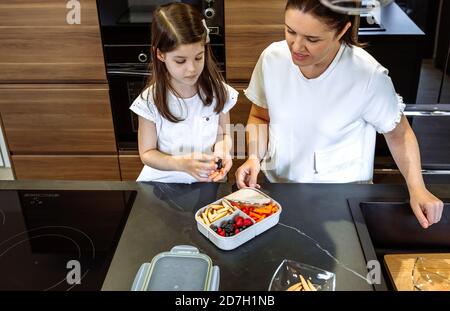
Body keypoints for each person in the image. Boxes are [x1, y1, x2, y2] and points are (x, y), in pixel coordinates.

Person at [235, 0, 443, 228]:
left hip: (341, 202)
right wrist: (254, 156)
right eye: (290, 31)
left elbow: (399, 135)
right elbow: (260, 117)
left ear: (342, 30)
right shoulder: (272, 59)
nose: (296, 46)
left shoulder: (367, 76)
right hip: (278, 193)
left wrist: (418, 188)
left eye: (312, 39)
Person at [130, 2, 238, 183]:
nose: (191, 69)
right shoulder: (149, 101)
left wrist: (222, 151)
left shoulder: (218, 91)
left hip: (207, 181)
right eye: (180, 61)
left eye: (198, 57)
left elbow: (223, 135)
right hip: (163, 185)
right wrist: (181, 164)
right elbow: (147, 153)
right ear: (160, 55)